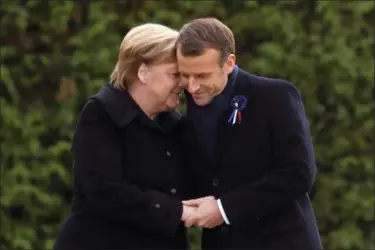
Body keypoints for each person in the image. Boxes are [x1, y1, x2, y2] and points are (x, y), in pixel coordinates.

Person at [177, 18, 323, 250]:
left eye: (202, 76)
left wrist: (224, 209)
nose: (192, 86)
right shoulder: (186, 115)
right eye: (185, 75)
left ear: (229, 63)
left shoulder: (275, 96)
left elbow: (298, 173)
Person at [53, 23, 196, 250]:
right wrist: (178, 211)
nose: (184, 83)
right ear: (143, 72)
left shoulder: (175, 123)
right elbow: (104, 190)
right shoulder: (102, 114)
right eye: (175, 74)